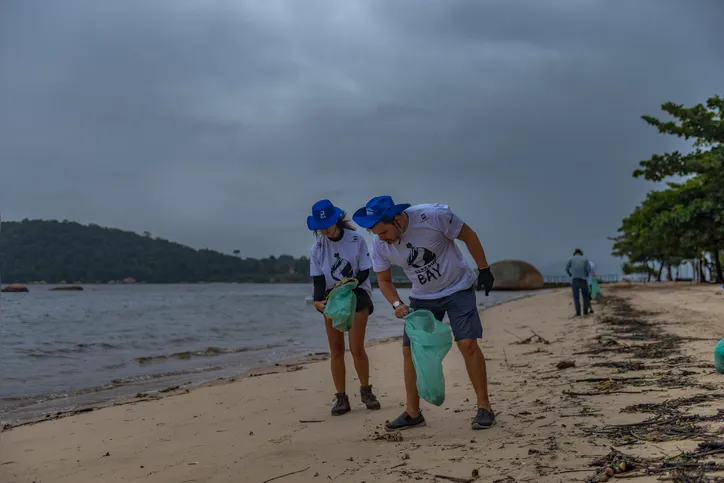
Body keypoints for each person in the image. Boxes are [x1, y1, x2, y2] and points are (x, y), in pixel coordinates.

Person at [352, 196, 496, 431]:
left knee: (468, 343)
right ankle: (413, 413)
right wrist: (397, 303)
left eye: (384, 232)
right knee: (410, 351)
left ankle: (485, 407)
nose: (382, 238)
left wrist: (484, 269)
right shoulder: (380, 246)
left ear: (397, 219)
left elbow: (468, 234)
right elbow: (384, 280)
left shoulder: (434, 216)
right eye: (376, 234)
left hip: (458, 287)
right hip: (423, 298)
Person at [307, 199, 381, 416]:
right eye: (320, 227)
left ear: (336, 220)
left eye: (328, 225)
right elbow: (318, 280)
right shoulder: (318, 247)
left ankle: (366, 391)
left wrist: (349, 285)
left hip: (357, 292)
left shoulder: (356, 239)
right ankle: (341, 397)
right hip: (333, 296)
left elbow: (365, 271)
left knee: (356, 347)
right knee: (336, 350)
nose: (324, 230)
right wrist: (318, 302)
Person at [566, 248, 592, 317]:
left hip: (575, 280)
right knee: (585, 296)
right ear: (581, 253)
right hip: (583, 279)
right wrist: (586, 274)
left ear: (574, 253)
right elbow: (589, 269)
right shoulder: (585, 258)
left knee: (576, 297)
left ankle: (578, 313)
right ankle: (585, 311)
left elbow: (566, 269)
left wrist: (570, 274)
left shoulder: (571, 259)